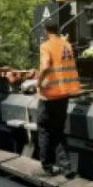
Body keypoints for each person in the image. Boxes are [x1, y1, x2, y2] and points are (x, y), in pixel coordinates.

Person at [36, 21, 81, 177]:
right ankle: (66, 166)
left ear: (45, 31)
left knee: (44, 130)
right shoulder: (66, 45)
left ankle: (47, 166)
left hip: (49, 95)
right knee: (58, 131)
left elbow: (46, 66)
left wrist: (39, 83)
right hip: (64, 93)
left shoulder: (46, 46)